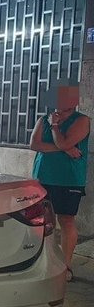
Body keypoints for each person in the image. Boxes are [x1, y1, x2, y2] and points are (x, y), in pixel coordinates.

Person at [30, 82, 90, 281]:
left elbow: (64, 141)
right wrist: (65, 148)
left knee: (66, 220)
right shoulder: (43, 119)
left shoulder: (81, 120)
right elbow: (34, 144)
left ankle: (66, 265)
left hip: (68, 179)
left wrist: (56, 128)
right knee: (45, 221)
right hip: (43, 176)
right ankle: (45, 262)